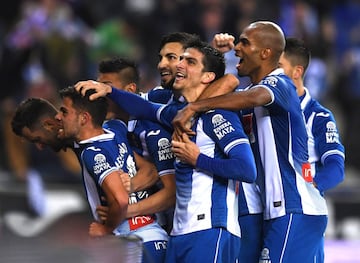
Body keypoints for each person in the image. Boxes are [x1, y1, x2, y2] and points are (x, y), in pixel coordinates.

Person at [75, 38, 257, 262]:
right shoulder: (177, 113)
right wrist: (108, 90)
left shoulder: (219, 115)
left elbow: (247, 169)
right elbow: (145, 107)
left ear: (207, 77)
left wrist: (198, 159)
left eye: (189, 62)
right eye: (180, 60)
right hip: (180, 232)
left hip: (211, 227)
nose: (179, 65)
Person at [169, 21, 325, 263]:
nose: (237, 48)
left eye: (244, 43)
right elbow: (217, 91)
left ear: (265, 53)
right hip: (273, 210)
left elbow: (249, 97)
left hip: (295, 206)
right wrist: (216, 56)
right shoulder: (250, 94)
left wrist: (194, 108)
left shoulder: (279, 84)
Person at [56, 86, 168, 263]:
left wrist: (106, 228)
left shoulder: (92, 153)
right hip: (153, 235)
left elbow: (121, 200)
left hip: (134, 240)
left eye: (64, 112)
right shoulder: (116, 129)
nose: (58, 117)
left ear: (84, 118)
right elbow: (151, 171)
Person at [278, 37, 345, 262]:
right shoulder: (263, 108)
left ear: (297, 71)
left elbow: (335, 167)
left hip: (303, 213)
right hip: (271, 213)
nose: (271, 75)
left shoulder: (319, 117)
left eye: (278, 68)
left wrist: (309, 188)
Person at [96, 56, 176, 233]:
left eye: (106, 86)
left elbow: (170, 191)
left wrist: (122, 210)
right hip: (142, 221)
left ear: (130, 90)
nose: (99, 93)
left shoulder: (152, 128)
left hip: (171, 223)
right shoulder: (108, 126)